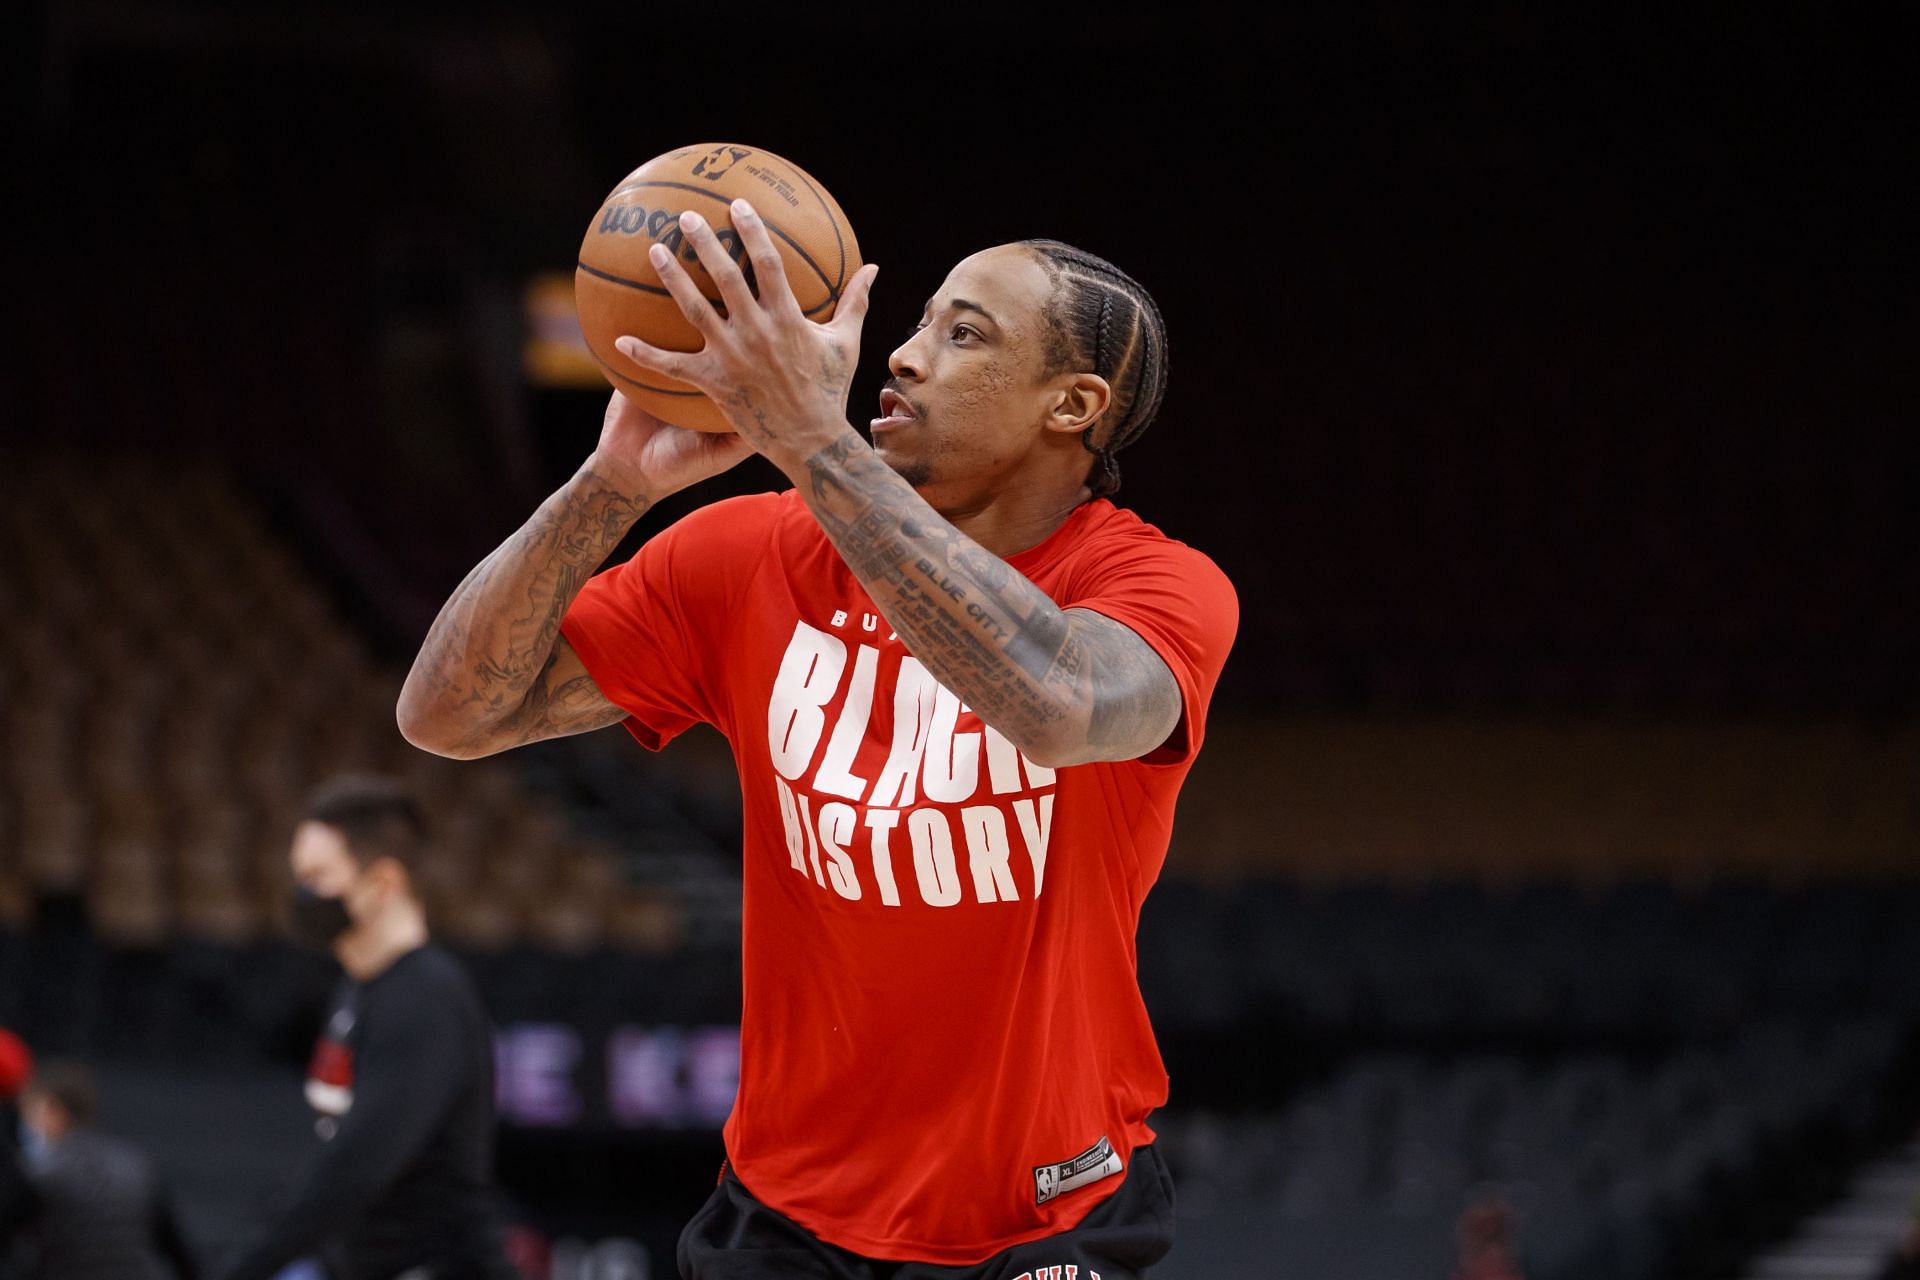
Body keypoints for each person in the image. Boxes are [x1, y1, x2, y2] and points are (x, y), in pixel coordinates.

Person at [399, 201, 1237, 1278]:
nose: (903, 352)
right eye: (920, 320)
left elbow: (1055, 703)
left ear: (1071, 404)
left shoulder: (1159, 586)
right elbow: (447, 712)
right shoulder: (750, 553)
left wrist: (811, 441)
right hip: (787, 1211)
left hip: (1046, 1211)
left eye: (964, 333)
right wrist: (608, 488)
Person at [214, 775, 515, 1280]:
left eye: (316, 877)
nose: (302, 895)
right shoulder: (357, 988)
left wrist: (245, 1265)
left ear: (383, 884)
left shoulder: (424, 998)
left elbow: (359, 1167)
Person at [11, 1059, 199, 1279]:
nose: (26, 1123)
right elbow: (179, 1251)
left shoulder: (39, 1173)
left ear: (54, 1111)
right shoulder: (135, 1165)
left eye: (29, 1111)